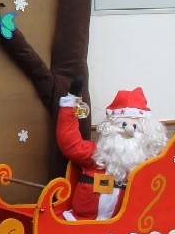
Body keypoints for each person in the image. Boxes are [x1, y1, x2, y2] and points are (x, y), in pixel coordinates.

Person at [56, 82, 167, 220]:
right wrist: (69, 106)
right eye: (123, 124)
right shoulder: (97, 154)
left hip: (123, 229)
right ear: (109, 128)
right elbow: (70, 143)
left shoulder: (144, 161)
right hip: (82, 221)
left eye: (135, 126)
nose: (129, 130)